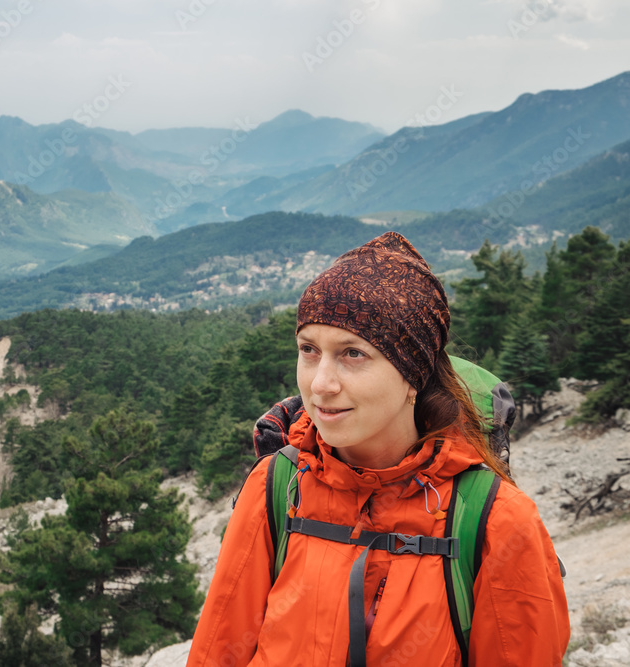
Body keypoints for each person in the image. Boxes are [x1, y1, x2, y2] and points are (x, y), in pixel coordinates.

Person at [187, 232, 569, 666]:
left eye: (353, 354)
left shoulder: (497, 521)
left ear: (413, 374)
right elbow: (218, 653)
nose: (320, 384)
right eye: (309, 350)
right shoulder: (274, 487)